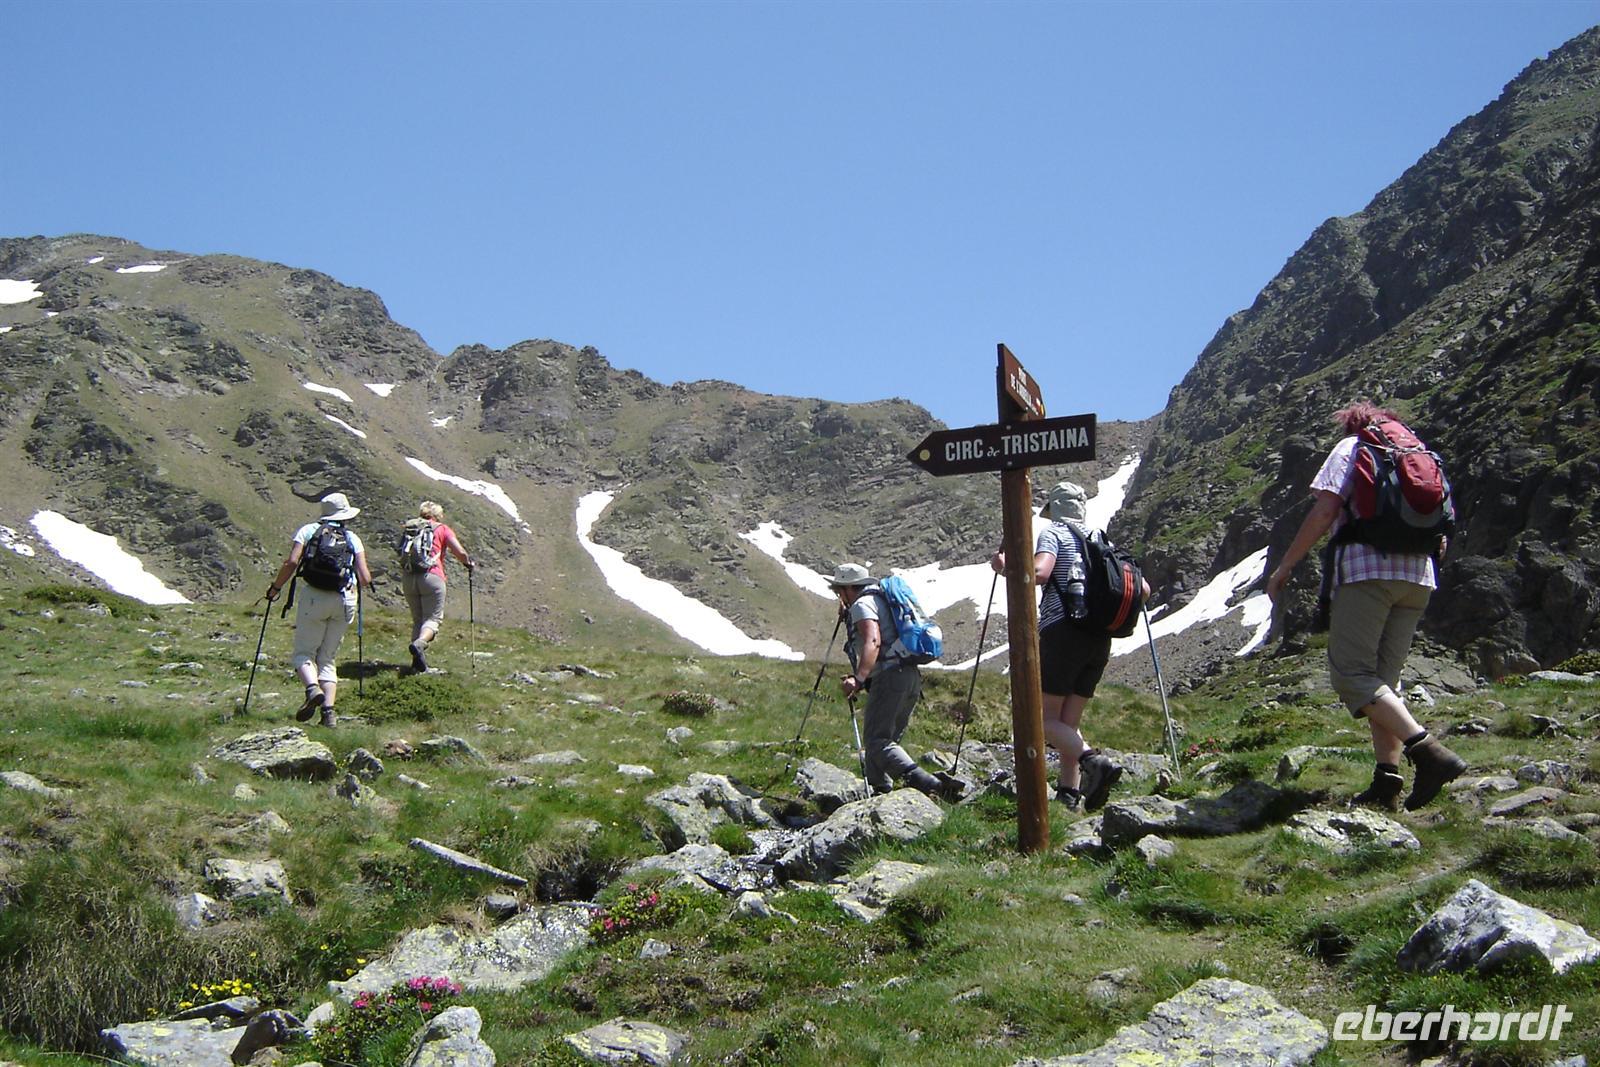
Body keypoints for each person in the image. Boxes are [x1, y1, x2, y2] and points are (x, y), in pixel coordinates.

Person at [1266, 401, 1466, 811]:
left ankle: (1428, 752)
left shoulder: (1355, 447)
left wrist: (1286, 565)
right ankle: (1386, 781)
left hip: (1367, 571)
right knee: (1384, 683)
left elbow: (1326, 509)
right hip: (1419, 576)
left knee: (1351, 675)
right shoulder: (1418, 453)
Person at [990, 481, 1145, 812]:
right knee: (1067, 723)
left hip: (1063, 632)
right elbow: (1142, 589)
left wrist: (1005, 568)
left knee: (1041, 720)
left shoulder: (1055, 533)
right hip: (1100, 637)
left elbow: (1040, 572)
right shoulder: (1102, 539)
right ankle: (1069, 794)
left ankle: (1093, 761)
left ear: (1055, 509)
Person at [831, 564, 961, 801]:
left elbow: (873, 641)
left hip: (890, 677)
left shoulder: (862, 604)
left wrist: (858, 679)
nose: (838, 595)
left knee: (877, 741)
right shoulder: (881, 600)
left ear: (849, 588)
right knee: (882, 741)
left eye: (838, 590)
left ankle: (931, 785)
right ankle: (880, 792)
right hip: (909, 676)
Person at [265, 492, 373, 727]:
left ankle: (312, 689)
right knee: (328, 657)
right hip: (344, 600)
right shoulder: (352, 538)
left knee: (304, 653)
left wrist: (275, 588)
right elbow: (365, 578)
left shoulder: (308, 531)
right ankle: (329, 714)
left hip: (314, 597)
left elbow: (292, 562)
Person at [399, 501, 474, 674]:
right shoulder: (442, 529)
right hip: (432, 577)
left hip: (409, 577)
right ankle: (420, 643)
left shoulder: (410, 528)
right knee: (433, 619)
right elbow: (460, 552)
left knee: (418, 620)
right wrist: (468, 563)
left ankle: (417, 665)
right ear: (438, 515)